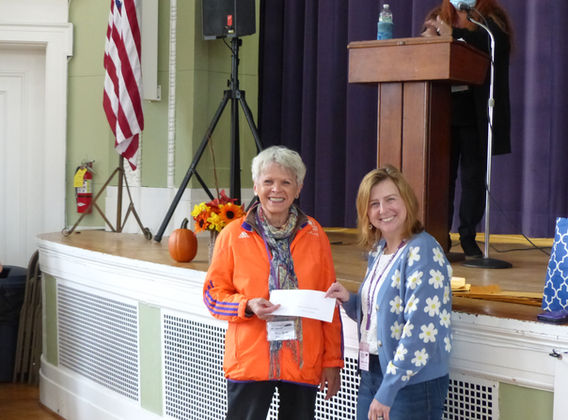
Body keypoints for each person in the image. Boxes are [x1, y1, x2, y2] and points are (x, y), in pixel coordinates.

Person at [203, 145, 344, 419]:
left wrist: (332, 361)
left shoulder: (316, 234)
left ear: (298, 188)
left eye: (286, 182)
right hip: (250, 360)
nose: (276, 189)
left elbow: (329, 303)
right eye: (268, 181)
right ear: (256, 187)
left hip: (303, 360)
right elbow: (212, 295)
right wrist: (246, 305)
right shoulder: (232, 235)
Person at [326, 166, 453, 420]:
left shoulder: (423, 250)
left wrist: (389, 389)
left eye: (390, 199)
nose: (383, 210)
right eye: (374, 204)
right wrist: (350, 301)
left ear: (406, 200)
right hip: (373, 372)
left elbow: (420, 330)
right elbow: (381, 315)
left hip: (411, 382)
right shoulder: (380, 249)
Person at [421, 0, 513, 257]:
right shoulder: (439, 16)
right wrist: (431, 40)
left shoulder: (489, 19)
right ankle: (440, 238)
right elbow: (425, 55)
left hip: (475, 114)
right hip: (442, 112)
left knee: (473, 180)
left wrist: (454, 34)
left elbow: (496, 46)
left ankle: (468, 237)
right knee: (442, 180)